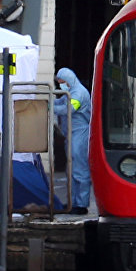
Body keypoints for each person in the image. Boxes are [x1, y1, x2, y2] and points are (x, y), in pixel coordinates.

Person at [54, 67, 92, 215]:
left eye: (63, 82)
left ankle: (81, 204)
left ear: (69, 80)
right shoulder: (71, 91)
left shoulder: (79, 93)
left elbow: (69, 109)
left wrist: (50, 106)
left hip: (80, 135)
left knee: (80, 170)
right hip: (71, 134)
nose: (61, 85)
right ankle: (73, 202)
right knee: (71, 170)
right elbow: (60, 102)